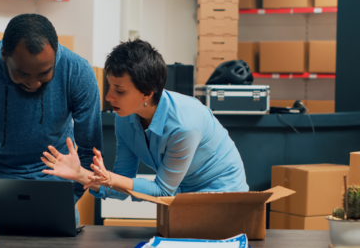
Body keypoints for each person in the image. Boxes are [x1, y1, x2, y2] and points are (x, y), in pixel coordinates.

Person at [41, 38, 248, 200]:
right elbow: (121, 183)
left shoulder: (184, 125)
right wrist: (79, 174)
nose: (108, 97)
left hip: (224, 194)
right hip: (184, 195)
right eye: (110, 86)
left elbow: (162, 191)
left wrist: (110, 179)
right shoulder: (125, 117)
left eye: (119, 90)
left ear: (147, 93)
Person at [0, 14, 103, 220]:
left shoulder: (78, 72)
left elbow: (92, 152)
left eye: (44, 73)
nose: (34, 83)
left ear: (55, 55)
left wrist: (68, 196)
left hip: (57, 185)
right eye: (23, 74)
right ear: (4, 55)